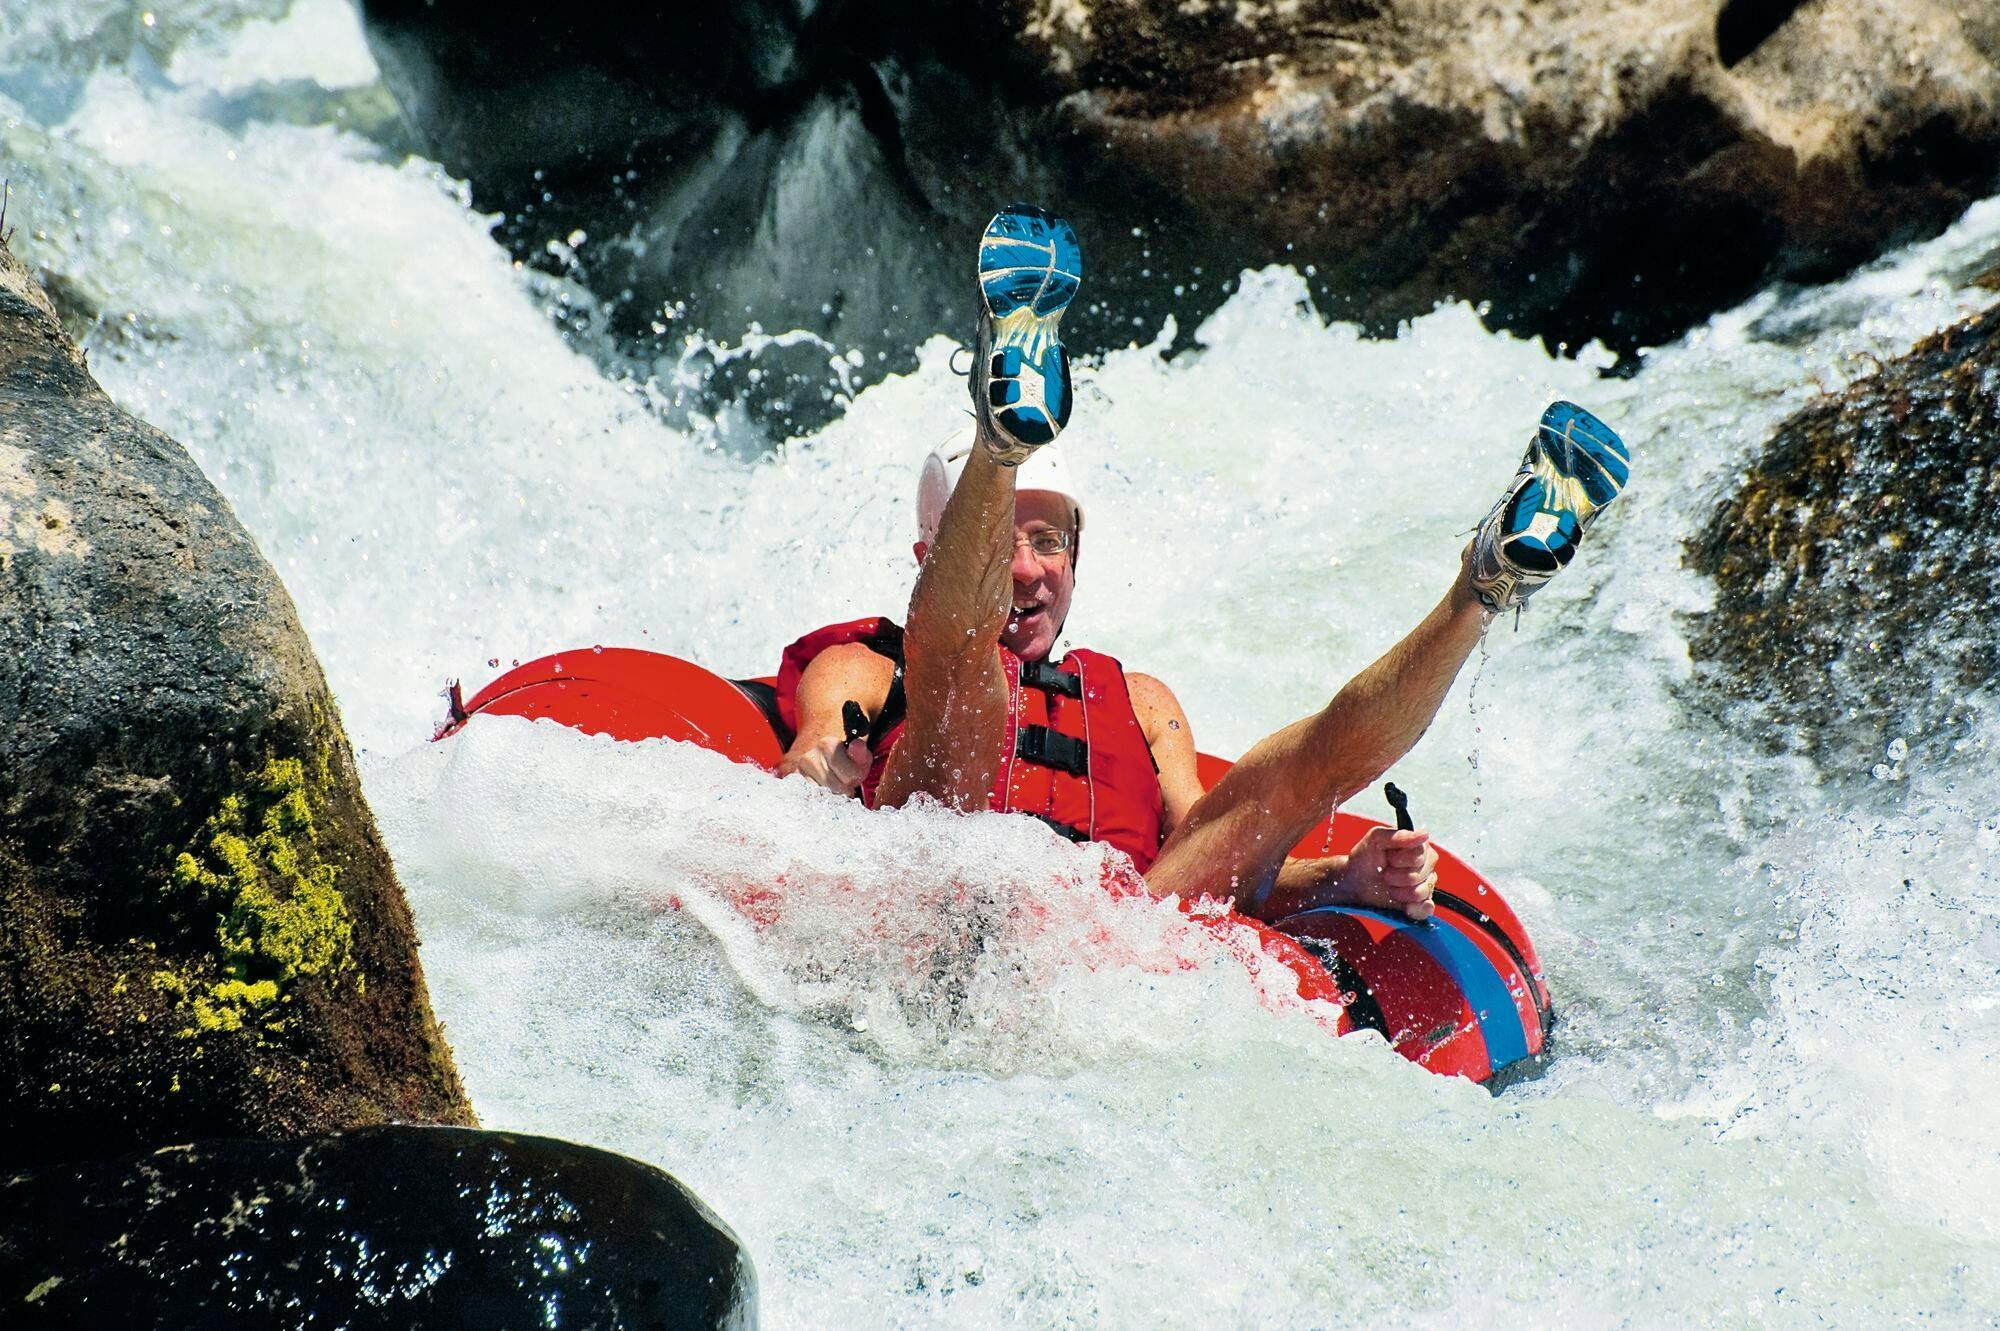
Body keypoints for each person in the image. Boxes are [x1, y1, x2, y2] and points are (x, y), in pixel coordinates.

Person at [775, 205, 1629, 925]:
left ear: (1079, 558)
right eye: (1003, 543)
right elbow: (809, 755)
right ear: (937, 554)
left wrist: (1343, 876)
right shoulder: (869, 664)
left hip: (1099, 952)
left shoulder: (1140, 703)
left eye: (1051, 543)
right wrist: (819, 773)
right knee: (964, 678)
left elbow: (1215, 855)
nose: (1028, 571)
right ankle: (1003, 438)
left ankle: (1486, 582)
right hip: (932, 893)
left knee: (1297, 772)